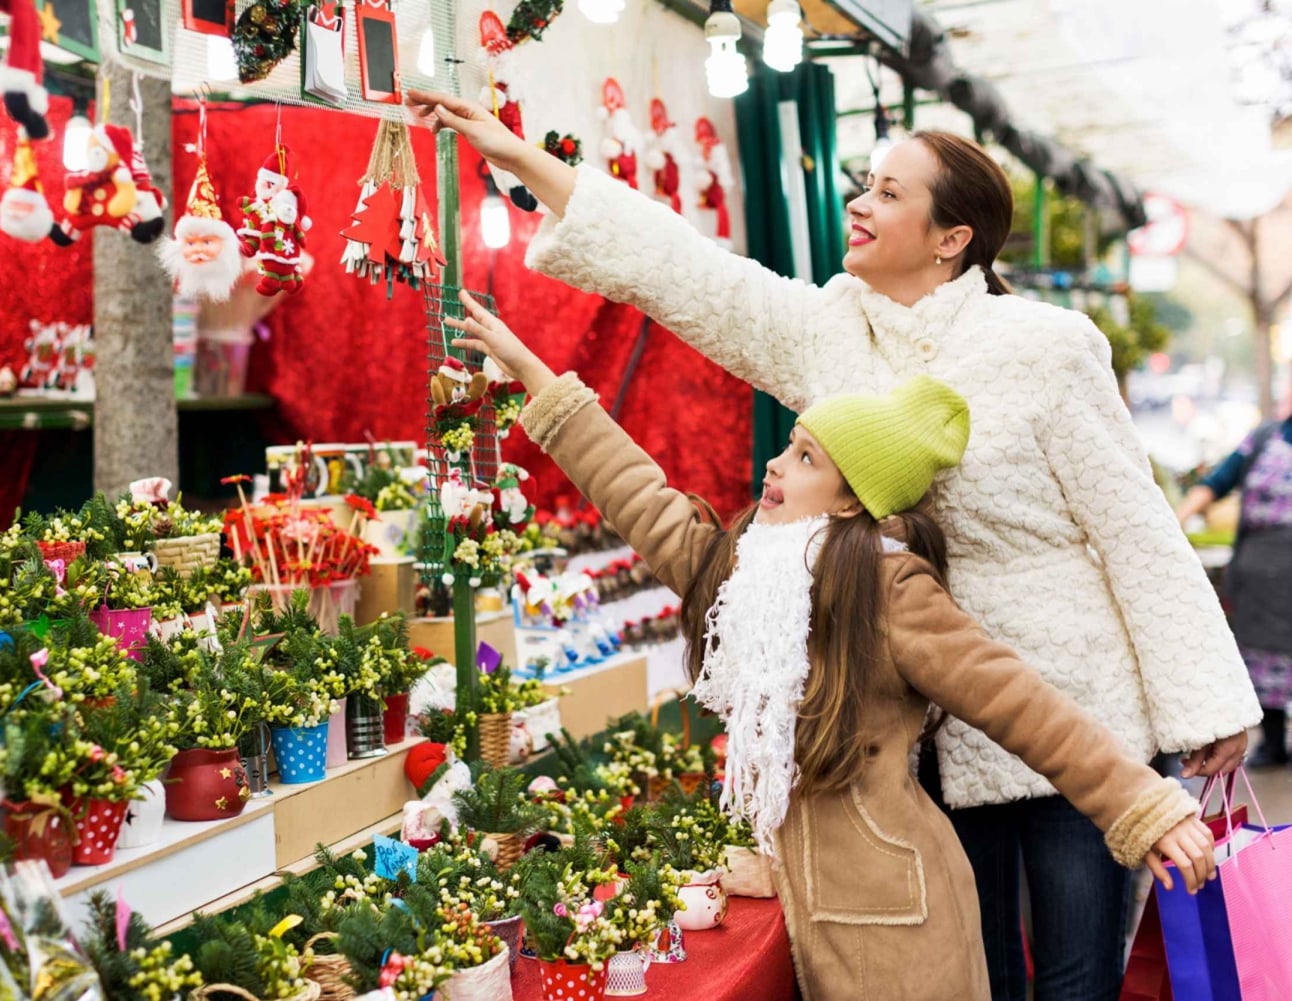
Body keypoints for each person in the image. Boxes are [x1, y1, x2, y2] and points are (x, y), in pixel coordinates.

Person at [408, 91, 1258, 1001]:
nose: (859, 203)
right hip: (935, 715)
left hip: (1076, 702)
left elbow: (1134, 526)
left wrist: (1208, 702)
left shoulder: (1046, 345)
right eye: (865, 184)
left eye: (889, 193)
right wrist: (519, 157)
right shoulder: (831, 327)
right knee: (983, 966)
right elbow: (684, 272)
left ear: (951, 237)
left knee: (1079, 975)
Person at [1178, 413, 1292, 767]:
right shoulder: (1264, 437)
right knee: (1260, 660)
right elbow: (1217, 481)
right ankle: (1273, 745)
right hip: (1258, 577)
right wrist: (1172, 523)